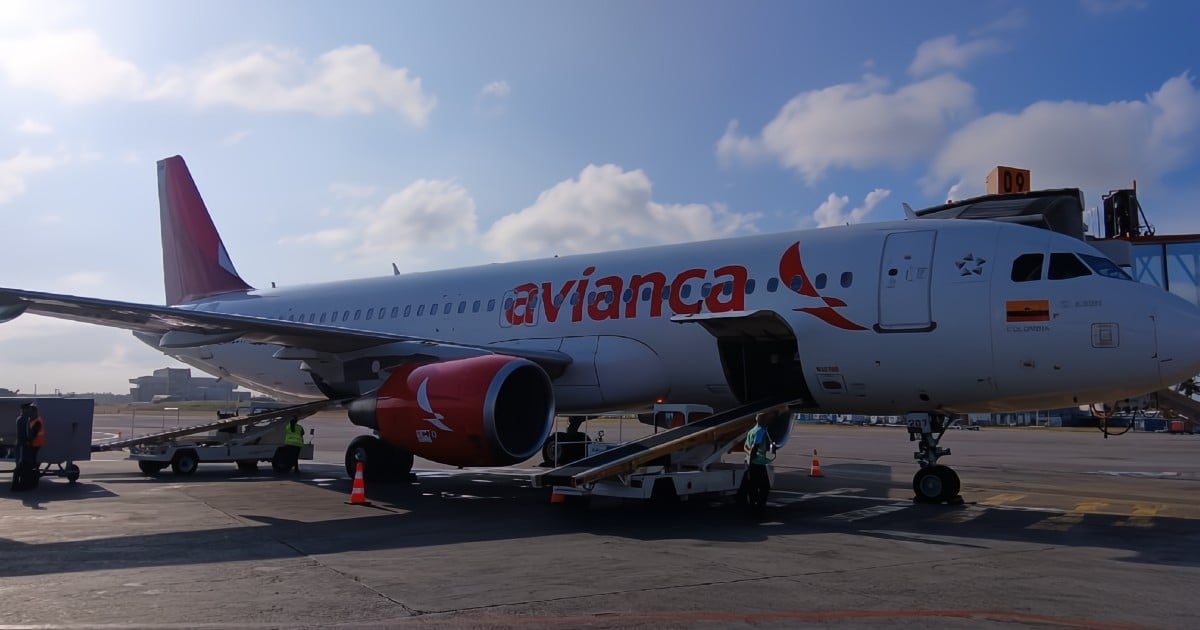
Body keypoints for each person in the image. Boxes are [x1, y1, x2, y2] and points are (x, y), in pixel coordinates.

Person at [739, 410, 777, 510]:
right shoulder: (761, 431)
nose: (769, 420)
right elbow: (754, 448)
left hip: (749, 462)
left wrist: (749, 461)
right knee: (765, 487)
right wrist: (752, 462)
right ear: (763, 419)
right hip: (757, 463)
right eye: (768, 418)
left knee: (752, 486)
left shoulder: (752, 431)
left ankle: (752, 505)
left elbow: (746, 447)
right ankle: (760, 507)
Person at [10, 403, 35, 492]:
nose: (29, 410)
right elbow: (26, 433)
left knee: (22, 466)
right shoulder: (24, 419)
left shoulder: (21, 419)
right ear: (24, 409)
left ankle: (20, 484)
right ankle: (17, 485)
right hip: (23, 445)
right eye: (28, 409)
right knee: (21, 466)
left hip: (21, 444)